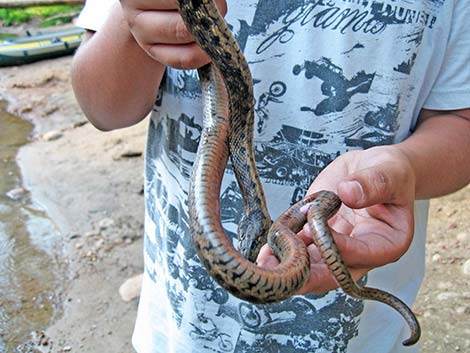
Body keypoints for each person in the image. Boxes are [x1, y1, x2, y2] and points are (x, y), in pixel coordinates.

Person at [72, 0, 470, 352]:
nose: (257, 249)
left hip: (365, 336)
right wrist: (132, 23)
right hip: (179, 329)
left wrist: (409, 167)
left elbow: (460, 122)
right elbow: (103, 108)